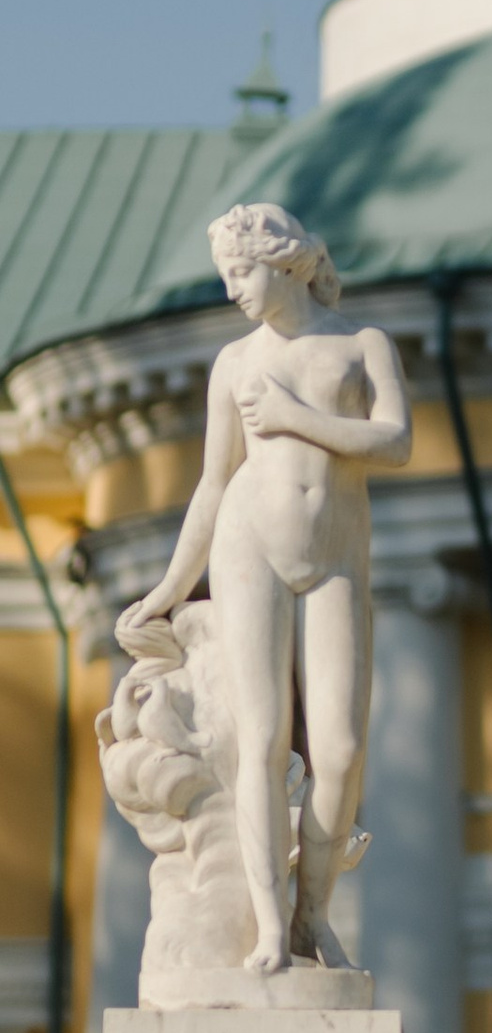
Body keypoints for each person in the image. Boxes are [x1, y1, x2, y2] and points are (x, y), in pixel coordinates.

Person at [114, 200, 410, 980]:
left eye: (241, 273)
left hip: (335, 553)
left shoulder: (359, 345)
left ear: (284, 264)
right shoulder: (235, 363)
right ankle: (271, 929)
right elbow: (213, 485)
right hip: (250, 542)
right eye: (226, 276)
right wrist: (171, 589)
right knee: (262, 740)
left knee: (340, 752)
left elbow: (397, 440)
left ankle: (314, 910)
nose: (233, 291)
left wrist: (293, 417)